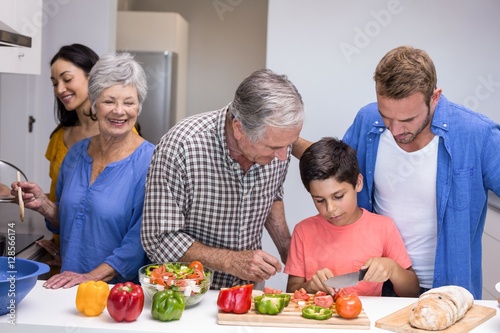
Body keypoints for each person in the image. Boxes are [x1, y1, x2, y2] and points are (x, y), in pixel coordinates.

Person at [293, 46, 500, 299]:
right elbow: (334, 168)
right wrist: (283, 140)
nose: (395, 129)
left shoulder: (477, 134)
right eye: (386, 116)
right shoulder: (368, 120)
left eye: (408, 119)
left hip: (449, 289)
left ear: (434, 97)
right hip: (381, 288)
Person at [141, 69, 304, 290]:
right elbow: (159, 240)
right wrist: (231, 261)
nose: (284, 156)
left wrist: (289, 250)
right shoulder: (182, 146)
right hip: (188, 292)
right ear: (239, 129)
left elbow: (272, 194)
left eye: (288, 145)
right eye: (274, 147)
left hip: (247, 291)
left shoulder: (277, 142)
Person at [12, 52, 155, 289]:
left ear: (138, 108)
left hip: (118, 294)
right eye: (109, 101)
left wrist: (90, 277)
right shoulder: (75, 154)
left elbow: (139, 242)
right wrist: (44, 205)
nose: (119, 111)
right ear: (95, 104)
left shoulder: (151, 162)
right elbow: (72, 219)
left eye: (129, 102)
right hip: (68, 287)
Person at [285, 137, 419, 297]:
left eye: (338, 196)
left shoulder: (383, 227)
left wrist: (393, 269)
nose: (331, 209)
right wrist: (310, 287)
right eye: (320, 200)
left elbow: (412, 292)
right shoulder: (303, 231)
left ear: (358, 183)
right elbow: (291, 291)